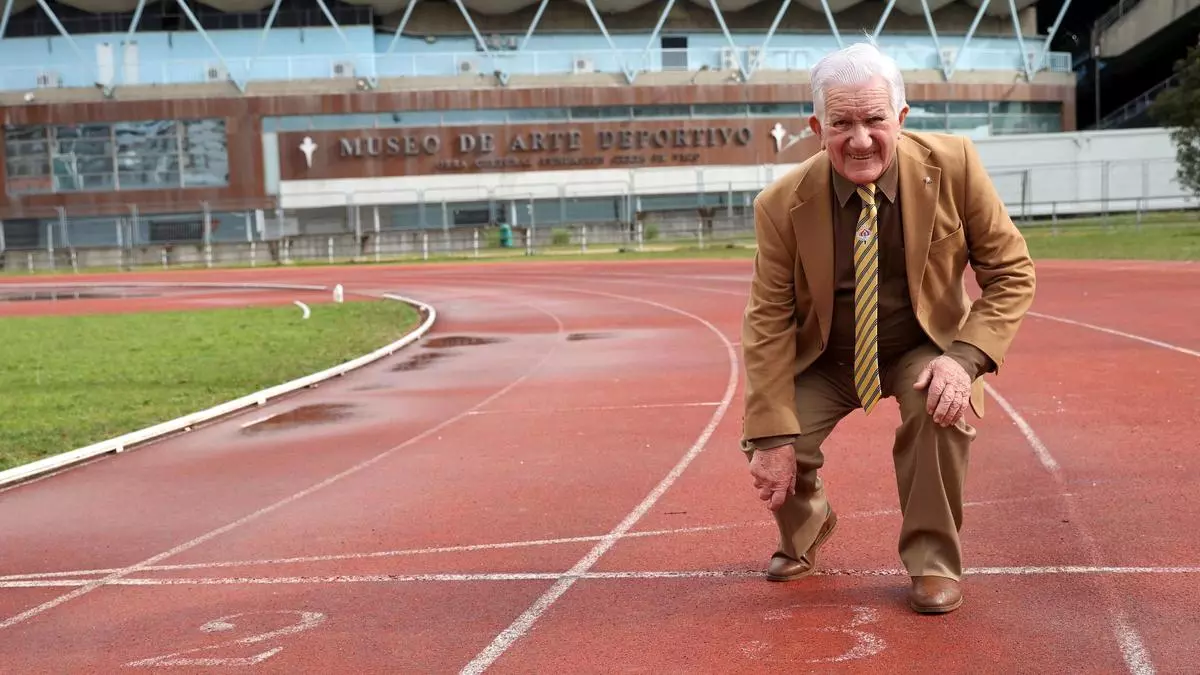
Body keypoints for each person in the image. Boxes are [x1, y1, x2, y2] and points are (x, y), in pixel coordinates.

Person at [739, 40, 1036, 615]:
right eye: (841, 123)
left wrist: (966, 357)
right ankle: (808, 527)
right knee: (773, 436)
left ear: (899, 118)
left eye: (874, 120)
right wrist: (770, 433)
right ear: (815, 126)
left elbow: (1012, 273)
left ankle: (932, 563)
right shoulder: (780, 204)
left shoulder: (956, 166)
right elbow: (769, 321)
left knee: (940, 407)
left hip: (920, 347)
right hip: (827, 356)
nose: (859, 139)